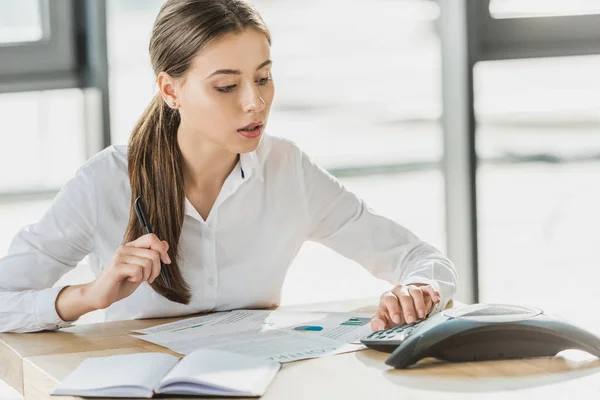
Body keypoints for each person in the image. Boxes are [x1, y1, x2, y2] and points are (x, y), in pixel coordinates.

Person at [0, 0, 457, 334]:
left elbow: (424, 260)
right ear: (170, 90)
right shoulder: (105, 182)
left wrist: (416, 290)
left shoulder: (287, 169)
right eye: (225, 86)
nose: (254, 103)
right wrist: (87, 296)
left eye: (263, 78)